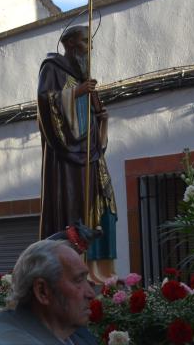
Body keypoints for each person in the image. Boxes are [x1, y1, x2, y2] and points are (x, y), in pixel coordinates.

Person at [37, 25, 117, 281]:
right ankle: (70, 271)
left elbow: (91, 121)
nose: (90, 48)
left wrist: (101, 120)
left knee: (99, 212)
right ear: (70, 44)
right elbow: (45, 101)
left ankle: (97, 272)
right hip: (66, 160)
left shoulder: (82, 75)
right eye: (85, 42)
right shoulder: (52, 67)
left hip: (90, 156)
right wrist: (75, 94)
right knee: (72, 212)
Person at [0, 240, 97, 345]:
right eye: (78, 280)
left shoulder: (78, 335)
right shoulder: (6, 340)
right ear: (42, 291)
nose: (91, 294)